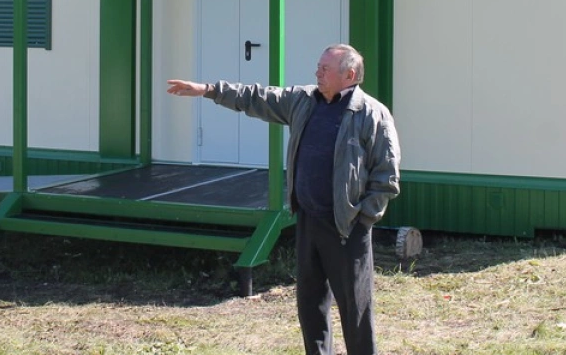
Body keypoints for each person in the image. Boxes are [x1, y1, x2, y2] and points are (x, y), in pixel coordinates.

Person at [167, 44, 400, 355]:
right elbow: (257, 97)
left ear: (350, 75)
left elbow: (387, 176)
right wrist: (208, 90)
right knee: (310, 307)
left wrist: (363, 219)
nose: (317, 73)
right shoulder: (303, 101)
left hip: (347, 230)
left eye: (325, 69)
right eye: (318, 66)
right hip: (308, 222)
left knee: (355, 312)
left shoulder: (372, 113)